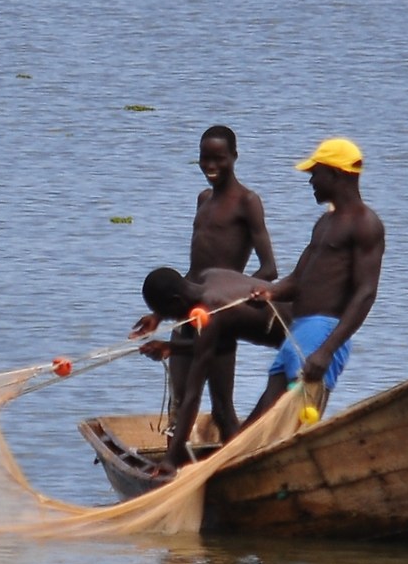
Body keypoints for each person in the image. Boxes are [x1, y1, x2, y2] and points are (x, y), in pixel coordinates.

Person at [128, 126, 278, 437]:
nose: (210, 166)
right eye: (204, 158)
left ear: (234, 157)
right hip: (187, 308)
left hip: (219, 316)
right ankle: (176, 469)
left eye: (219, 159)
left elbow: (269, 269)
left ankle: (237, 467)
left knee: (222, 407)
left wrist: (231, 300)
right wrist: (161, 313)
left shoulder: (247, 202)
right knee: (181, 403)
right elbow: (194, 273)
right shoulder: (204, 199)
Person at [244, 137, 384, 424]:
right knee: (261, 419)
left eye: (315, 174)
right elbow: (297, 280)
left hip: (322, 332)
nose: (311, 182)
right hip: (299, 330)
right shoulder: (325, 223)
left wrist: (326, 350)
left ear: (335, 174)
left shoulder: (365, 223)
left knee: (295, 421)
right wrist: (270, 292)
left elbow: (366, 293)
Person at [137, 267, 288, 467]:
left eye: (170, 315)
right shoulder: (209, 275)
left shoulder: (212, 309)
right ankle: (234, 466)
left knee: (252, 432)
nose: (176, 321)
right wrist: (169, 344)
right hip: (300, 325)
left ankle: (241, 464)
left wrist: (170, 460)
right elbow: (211, 344)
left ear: (176, 301)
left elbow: (193, 395)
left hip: (303, 340)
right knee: (223, 414)